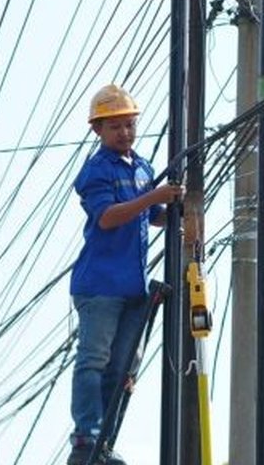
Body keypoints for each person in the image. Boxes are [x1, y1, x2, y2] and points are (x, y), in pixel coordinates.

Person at [68, 84, 183, 465]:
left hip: (132, 287)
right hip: (100, 285)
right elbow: (107, 217)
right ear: (98, 130)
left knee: (122, 372)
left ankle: (104, 444)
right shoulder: (96, 170)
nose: (125, 133)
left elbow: (151, 217)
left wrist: (181, 216)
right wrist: (154, 198)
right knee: (94, 360)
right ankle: (87, 436)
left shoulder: (143, 168)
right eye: (115, 126)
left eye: (130, 125)